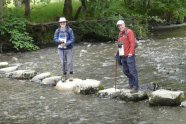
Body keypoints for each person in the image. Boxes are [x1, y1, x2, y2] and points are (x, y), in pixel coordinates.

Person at [115, 19, 139, 93]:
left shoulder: (129, 32)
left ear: (124, 24)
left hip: (129, 55)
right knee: (126, 71)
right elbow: (120, 44)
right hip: (122, 55)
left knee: (132, 71)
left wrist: (131, 53)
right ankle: (131, 84)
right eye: (118, 26)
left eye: (121, 25)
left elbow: (132, 43)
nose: (120, 27)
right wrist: (117, 53)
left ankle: (135, 86)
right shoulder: (120, 33)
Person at [53, 17, 75, 82]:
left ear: (66, 23)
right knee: (63, 62)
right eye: (61, 22)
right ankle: (64, 75)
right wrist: (59, 41)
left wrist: (66, 44)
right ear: (59, 23)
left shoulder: (70, 30)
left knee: (69, 62)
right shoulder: (57, 30)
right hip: (60, 49)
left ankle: (71, 75)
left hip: (69, 48)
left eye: (64, 22)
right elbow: (55, 39)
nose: (62, 23)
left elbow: (72, 39)